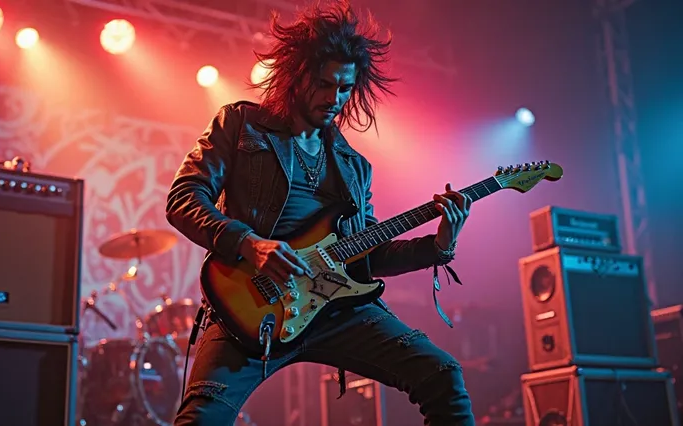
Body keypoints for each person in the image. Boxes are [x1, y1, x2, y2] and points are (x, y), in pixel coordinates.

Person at [165, 1, 475, 424]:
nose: (335, 98)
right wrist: (250, 244)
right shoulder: (240, 124)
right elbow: (183, 198)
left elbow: (368, 255)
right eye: (324, 84)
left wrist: (439, 245)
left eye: (345, 87)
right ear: (297, 77)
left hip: (335, 307)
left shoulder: (353, 166)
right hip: (250, 304)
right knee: (201, 419)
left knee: (444, 375)